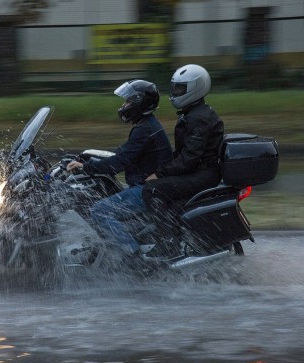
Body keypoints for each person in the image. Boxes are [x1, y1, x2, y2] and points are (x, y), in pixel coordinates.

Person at [66, 79, 173, 256]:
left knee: (100, 211)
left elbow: (119, 162)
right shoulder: (147, 125)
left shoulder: (144, 129)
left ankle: (133, 257)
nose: (124, 105)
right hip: (148, 185)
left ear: (140, 102)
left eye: (129, 101)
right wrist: (89, 159)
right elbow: (123, 153)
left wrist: (86, 167)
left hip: (146, 189)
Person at [143, 64, 224, 219]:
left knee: (151, 189)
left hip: (202, 175)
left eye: (180, 89)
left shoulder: (199, 118)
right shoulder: (194, 113)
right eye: (175, 88)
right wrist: (159, 167)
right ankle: (176, 232)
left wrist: (160, 173)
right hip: (201, 172)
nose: (175, 93)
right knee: (173, 204)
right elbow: (184, 153)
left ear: (196, 88)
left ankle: (164, 236)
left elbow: (189, 158)